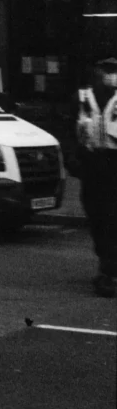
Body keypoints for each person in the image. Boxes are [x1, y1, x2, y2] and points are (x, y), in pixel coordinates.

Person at [70, 57, 117, 298]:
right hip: (92, 164)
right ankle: (106, 260)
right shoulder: (84, 97)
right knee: (96, 215)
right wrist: (75, 158)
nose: (110, 75)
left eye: (114, 71)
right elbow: (73, 127)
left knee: (111, 217)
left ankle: (107, 272)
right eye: (106, 71)